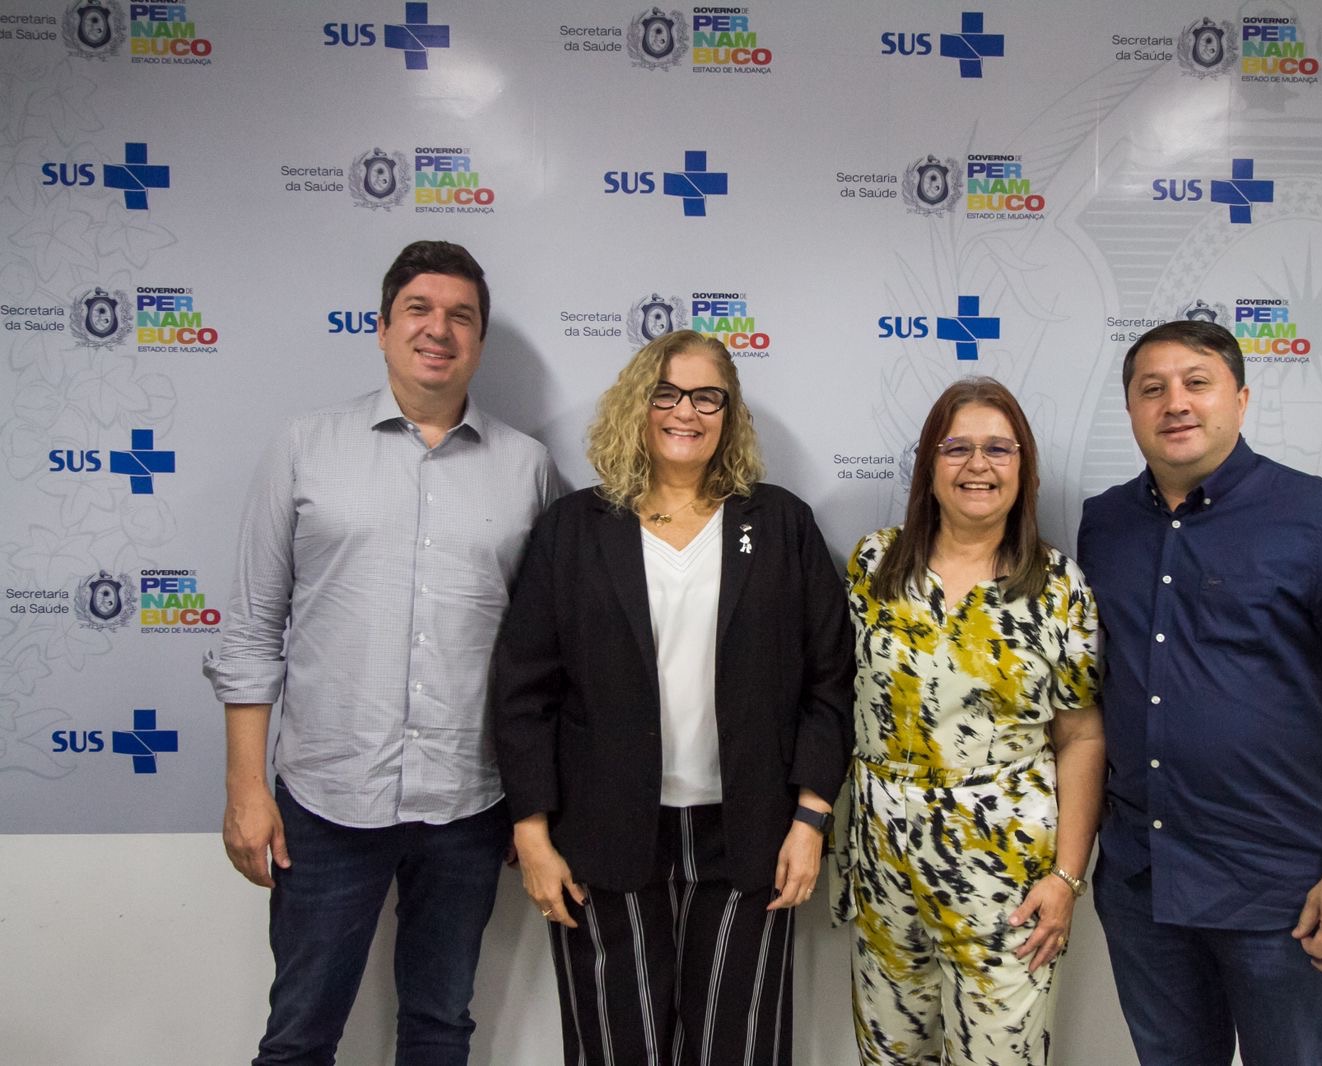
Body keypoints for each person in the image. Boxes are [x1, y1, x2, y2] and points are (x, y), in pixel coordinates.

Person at [204, 240, 557, 1065]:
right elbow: (253, 630)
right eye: (419, 310)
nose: (439, 330)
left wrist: (533, 801)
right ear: (382, 326)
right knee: (298, 1036)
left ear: (479, 337)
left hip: (469, 806)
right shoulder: (305, 447)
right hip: (325, 804)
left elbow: (542, 659)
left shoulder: (528, 470)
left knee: (439, 1029)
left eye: (461, 316)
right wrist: (247, 788)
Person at [1076, 320, 1322, 1065]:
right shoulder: (1104, 524)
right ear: (1132, 411)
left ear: (1240, 400)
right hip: (1144, 884)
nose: (1175, 402)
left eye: (1196, 383)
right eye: (1152, 389)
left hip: (1282, 894)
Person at [492, 329, 852, 1065]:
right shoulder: (575, 530)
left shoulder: (779, 524)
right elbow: (523, 690)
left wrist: (811, 819)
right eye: (667, 393)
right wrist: (530, 831)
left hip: (751, 839)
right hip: (601, 838)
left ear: (729, 413)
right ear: (638, 404)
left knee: (740, 1051)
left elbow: (830, 681)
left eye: (706, 396)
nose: (686, 411)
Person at [836, 377, 1104, 1065]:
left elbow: (1081, 736)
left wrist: (1067, 878)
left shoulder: (1057, 585)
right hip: (883, 866)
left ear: (1024, 468)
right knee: (890, 1056)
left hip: (1007, 875)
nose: (977, 465)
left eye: (998, 449)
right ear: (929, 465)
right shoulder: (872, 564)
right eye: (956, 448)